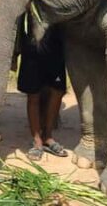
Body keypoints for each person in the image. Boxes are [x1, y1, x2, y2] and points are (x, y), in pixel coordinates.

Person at [18, 22, 68, 161]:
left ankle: (48, 136)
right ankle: (36, 140)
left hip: (56, 45)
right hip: (32, 47)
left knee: (57, 91)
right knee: (33, 94)